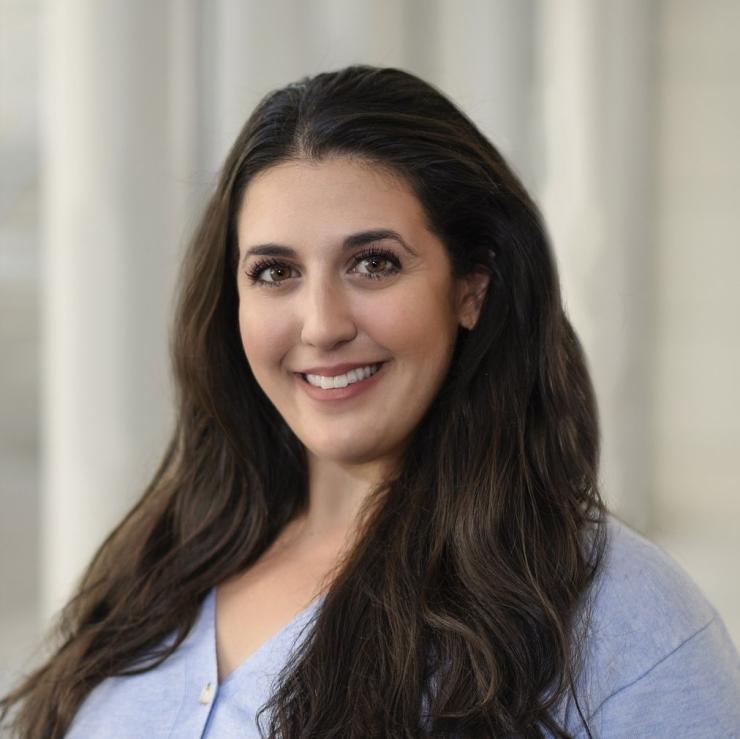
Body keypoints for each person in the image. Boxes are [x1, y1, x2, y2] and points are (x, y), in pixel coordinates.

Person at [1, 65, 739, 739]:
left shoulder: (618, 615)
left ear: (470, 289)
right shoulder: (167, 561)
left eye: (373, 263)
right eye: (275, 271)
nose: (322, 324)